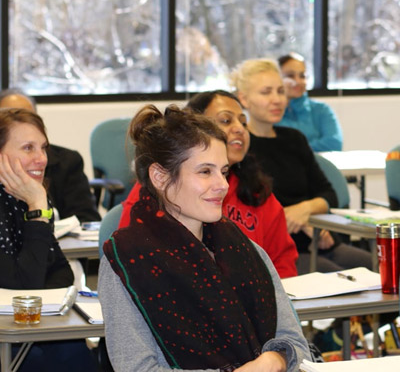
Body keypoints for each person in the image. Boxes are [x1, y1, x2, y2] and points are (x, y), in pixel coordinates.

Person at [98, 105, 310, 371]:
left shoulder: (247, 250)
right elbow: (137, 368)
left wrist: (273, 360)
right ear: (160, 177)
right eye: (205, 172)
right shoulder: (127, 260)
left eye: (223, 171)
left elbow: (297, 346)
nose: (222, 184)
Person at [230, 58, 372, 274]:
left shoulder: (295, 139)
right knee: (340, 279)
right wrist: (289, 217)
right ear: (244, 98)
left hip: (320, 239)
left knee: (382, 268)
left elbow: (329, 194)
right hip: (279, 250)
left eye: (280, 91)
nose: (276, 99)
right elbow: (248, 207)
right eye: (266, 92)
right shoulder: (240, 146)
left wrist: (304, 210)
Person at [0, 108, 97, 371]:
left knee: (75, 349)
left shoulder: (31, 196)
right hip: (8, 337)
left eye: (43, 147)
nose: (41, 159)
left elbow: (62, 272)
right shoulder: (33, 198)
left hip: (35, 326)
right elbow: (24, 287)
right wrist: (37, 206)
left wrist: (37, 204)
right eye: (28, 148)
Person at [186, 90, 298, 278]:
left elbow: (282, 263)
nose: (239, 129)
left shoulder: (257, 191)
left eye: (243, 123)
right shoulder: (166, 184)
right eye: (226, 121)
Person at [0, 88, 101, 222]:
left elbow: (86, 219)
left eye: (25, 117)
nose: (42, 159)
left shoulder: (67, 161)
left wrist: (38, 203)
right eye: (8, 116)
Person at [275, 52, 343, 152]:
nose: (298, 81)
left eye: (302, 76)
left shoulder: (322, 110)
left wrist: (294, 150)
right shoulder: (272, 113)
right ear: (277, 78)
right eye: (290, 76)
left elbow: (334, 143)